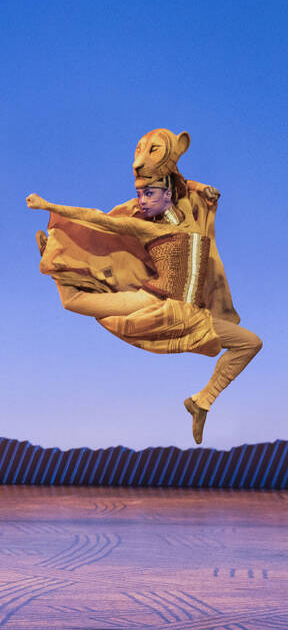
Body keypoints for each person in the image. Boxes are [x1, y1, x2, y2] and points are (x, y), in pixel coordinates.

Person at [28, 129, 260, 443]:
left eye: (148, 193)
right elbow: (98, 218)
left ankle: (201, 401)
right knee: (71, 301)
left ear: (168, 194)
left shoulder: (190, 210)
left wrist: (203, 187)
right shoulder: (145, 228)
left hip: (191, 314)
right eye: (140, 195)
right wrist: (48, 206)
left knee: (250, 343)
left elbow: (180, 178)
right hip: (153, 302)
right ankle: (56, 257)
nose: (141, 201)